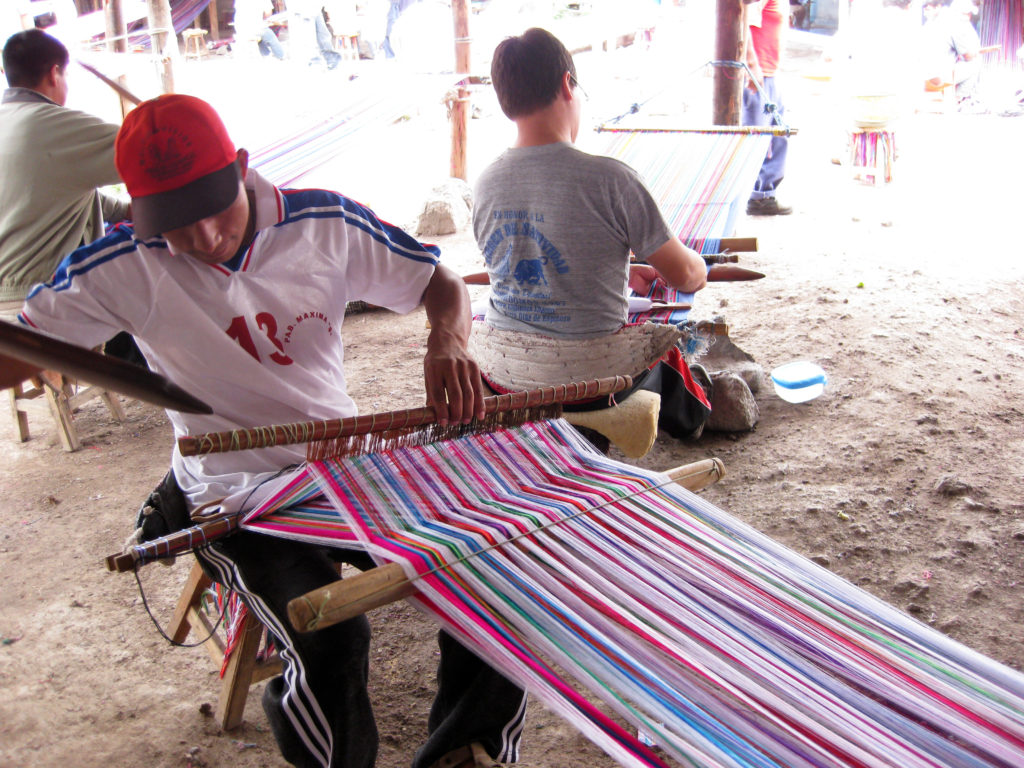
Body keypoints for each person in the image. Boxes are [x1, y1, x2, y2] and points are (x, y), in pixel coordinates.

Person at [0, 93, 526, 768]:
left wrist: (447, 342)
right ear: (138, 210)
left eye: (215, 208)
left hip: (346, 464)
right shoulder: (124, 262)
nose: (204, 237)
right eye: (176, 224)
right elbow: (20, 352)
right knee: (331, 637)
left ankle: (462, 751)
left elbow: (440, 281)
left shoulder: (323, 223)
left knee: (494, 575)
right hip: (236, 493)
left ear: (242, 168)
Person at [472, 27, 712, 442]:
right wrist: (701, 265)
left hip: (503, 374)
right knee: (666, 348)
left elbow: (525, 265)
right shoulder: (610, 179)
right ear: (568, 84)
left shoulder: (485, 182)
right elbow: (684, 277)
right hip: (590, 385)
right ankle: (698, 418)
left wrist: (618, 271)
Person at [0, 29, 130, 310]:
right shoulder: (57, 126)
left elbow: (49, 192)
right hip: (40, 304)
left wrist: (124, 210)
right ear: (54, 73)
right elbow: (157, 151)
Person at [742, 0, 792, 216]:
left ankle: (763, 195)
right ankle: (755, 196)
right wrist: (752, 64)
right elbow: (742, 18)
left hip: (768, 71)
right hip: (757, 73)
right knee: (755, 137)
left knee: (778, 134)